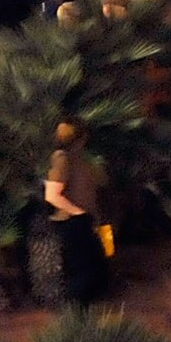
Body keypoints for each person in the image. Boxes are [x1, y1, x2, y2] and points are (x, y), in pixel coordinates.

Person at [42, 118, 105, 303]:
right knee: (81, 270)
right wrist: (78, 213)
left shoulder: (76, 158)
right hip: (72, 222)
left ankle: (84, 316)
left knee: (93, 268)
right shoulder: (62, 158)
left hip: (82, 220)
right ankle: (75, 316)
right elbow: (52, 194)